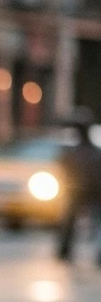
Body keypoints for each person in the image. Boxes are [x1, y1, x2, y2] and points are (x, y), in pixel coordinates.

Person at [57, 107, 101, 263]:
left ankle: (66, 250)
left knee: (95, 222)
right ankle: (64, 250)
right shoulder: (73, 151)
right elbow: (63, 168)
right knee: (70, 222)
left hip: (92, 191)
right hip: (76, 190)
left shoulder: (91, 152)